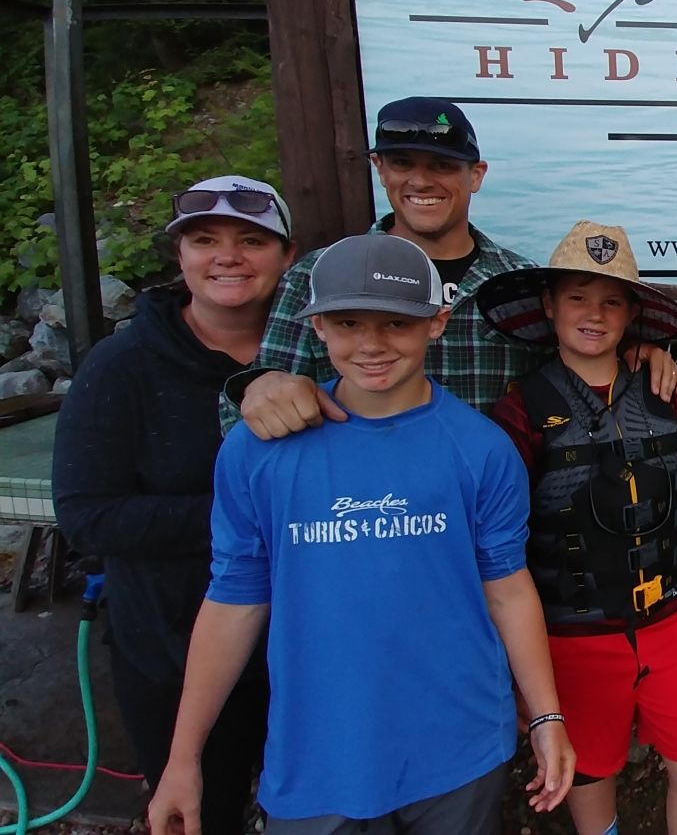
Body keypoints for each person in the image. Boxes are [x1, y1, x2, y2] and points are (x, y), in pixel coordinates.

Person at [146, 234, 575, 835]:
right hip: (318, 754)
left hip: (460, 746)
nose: (372, 344)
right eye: (349, 322)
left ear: (437, 323)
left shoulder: (481, 448)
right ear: (317, 326)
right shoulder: (259, 450)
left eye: (397, 323)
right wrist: (183, 758)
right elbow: (233, 603)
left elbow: (506, 587)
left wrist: (547, 715)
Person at [53, 174, 295, 833]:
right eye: (205, 239)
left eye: (252, 239)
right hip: (172, 647)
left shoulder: (318, 351)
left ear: (287, 256)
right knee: (200, 812)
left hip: (301, 641)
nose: (228, 256)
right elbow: (87, 516)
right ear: (180, 254)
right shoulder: (120, 367)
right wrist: (243, 522)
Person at [479, 221, 677, 835]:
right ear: (549, 306)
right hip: (572, 632)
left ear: (631, 315)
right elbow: (499, 543)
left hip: (671, 617)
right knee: (589, 771)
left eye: (611, 301)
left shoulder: (663, 389)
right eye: (577, 297)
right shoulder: (520, 407)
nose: (593, 314)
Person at [227, 97, 677, 439]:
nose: (421, 181)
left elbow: (574, 365)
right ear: (379, 169)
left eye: (442, 166)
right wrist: (263, 388)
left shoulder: (514, 282)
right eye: (403, 163)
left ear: (476, 176)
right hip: (365, 511)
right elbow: (250, 408)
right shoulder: (318, 275)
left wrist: (637, 352)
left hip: (498, 509)